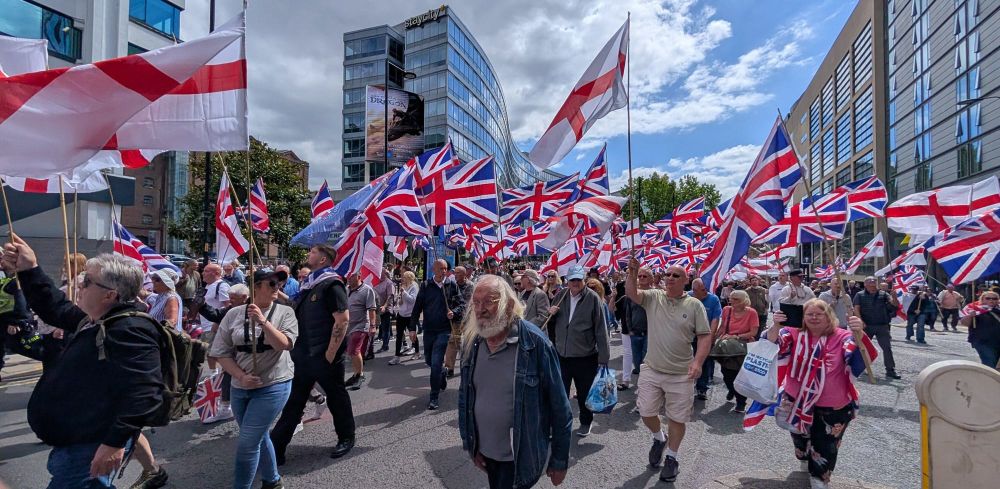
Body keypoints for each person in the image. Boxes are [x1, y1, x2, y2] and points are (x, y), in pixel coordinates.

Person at [3, 234, 163, 488]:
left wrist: (114, 443)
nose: (80, 285)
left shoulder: (129, 329)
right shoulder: (95, 319)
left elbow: (144, 393)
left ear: (109, 295)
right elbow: (54, 307)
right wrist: (30, 268)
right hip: (77, 444)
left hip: (91, 447)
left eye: (87, 282)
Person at [458, 275, 572, 489]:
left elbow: (560, 407)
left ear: (508, 305)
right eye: (476, 302)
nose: (480, 309)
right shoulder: (473, 343)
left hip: (520, 456)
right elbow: (465, 398)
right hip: (486, 452)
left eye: (488, 301)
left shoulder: (535, 343)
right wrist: (471, 446)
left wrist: (559, 460)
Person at [768, 299, 876, 489]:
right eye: (810, 314)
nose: (814, 317)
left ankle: (819, 479)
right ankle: (803, 456)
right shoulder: (793, 333)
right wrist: (775, 325)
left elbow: (863, 358)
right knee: (800, 439)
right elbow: (770, 344)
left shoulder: (843, 336)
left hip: (833, 404)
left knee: (826, 444)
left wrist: (859, 332)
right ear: (803, 317)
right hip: (797, 400)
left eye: (820, 314)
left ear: (830, 317)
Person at [209, 269, 297, 489]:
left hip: (274, 384)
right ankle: (273, 480)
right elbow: (221, 352)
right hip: (241, 386)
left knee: (248, 443)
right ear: (256, 286)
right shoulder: (234, 314)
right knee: (258, 435)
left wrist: (263, 321)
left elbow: (284, 344)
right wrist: (240, 376)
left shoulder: (285, 313)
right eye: (272, 284)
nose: (278, 288)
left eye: (279, 284)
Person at [625, 260, 710, 483]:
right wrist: (633, 272)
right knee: (646, 412)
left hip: (681, 373)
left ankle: (672, 458)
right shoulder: (654, 297)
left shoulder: (694, 305)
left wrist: (698, 362)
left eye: (675, 275)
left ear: (686, 280)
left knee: (676, 417)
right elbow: (632, 293)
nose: (670, 278)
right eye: (668, 274)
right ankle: (658, 438)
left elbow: (704, 336)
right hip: (652, 369)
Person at [270, 244, 355, 464]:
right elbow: (295, 306)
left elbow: (342, 319)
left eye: (313, 252)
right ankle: (276, 448)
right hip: (303, 354)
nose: (309, 254)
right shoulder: (309, 286)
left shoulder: (332, 283)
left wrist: (330, 354)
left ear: (323, 259)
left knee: (337, 398)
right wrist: (273, 291)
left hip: (325, 356)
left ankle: (346, 437)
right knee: (294, 401)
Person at [545, 265, 610, 437]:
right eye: (572, 279)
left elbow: (601, 330)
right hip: (562, 355)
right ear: (567, 281)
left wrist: (603, 359)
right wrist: (549, 315)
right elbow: (550, 326)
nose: (575, 283)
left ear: (584, 280)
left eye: (578, 279)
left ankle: (586, 421)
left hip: (585, 356)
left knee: (584, 393)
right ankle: (557, 424)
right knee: (559, 394)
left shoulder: (593, 298)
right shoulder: (560, 296)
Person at [411, 259, 466, 410]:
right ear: (433, 269)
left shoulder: (451, 285)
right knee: (429, 361)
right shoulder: (426, 286)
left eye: (445, 269)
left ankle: (434, 396)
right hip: (429, 329)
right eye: (440, 268)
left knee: (435, 362)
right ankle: (442, 372)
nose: (443, 271)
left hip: (444, 330)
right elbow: (417, 308)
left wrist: (453, 312)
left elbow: (462, 304)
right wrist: (412, 328)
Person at [194, 283, 250, 425]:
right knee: (227, 374)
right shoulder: (232, 309)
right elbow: (217, 315)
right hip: (233, 350)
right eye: (230, 298)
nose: (230, 301)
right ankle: (225, 407)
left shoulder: (254, 308)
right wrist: (202, 305)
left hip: (251, 352)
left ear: (244, 297)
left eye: (233, 298)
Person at [717, 290, 758, 413]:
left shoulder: (751, 312)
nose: (732, 301)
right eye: (731, 298)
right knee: (725, 372)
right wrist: (714, 337)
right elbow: (723, 326)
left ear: (744, 301)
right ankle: (732, 389)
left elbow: (753, 332)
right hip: (727, 346)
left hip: (743, 346)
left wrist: (737, 336)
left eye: (736, 299)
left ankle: (741, 402)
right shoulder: (727, 310)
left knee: (740, 374)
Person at [853, 276, 901, 379]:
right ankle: (858, 367)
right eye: (870, 283)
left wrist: (895, 297)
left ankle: (890, 370)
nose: (872, 284)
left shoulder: (884, 294)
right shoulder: (859, 295)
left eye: (874, 283)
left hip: (882, 325)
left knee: (887, 347)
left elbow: (895, 305)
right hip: (867, 326)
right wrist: (860, 320)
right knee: (862, 348)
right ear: (865, 284)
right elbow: (856, 308)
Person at [689, 278, 722, 400]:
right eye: (702, 290)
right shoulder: (687, 297)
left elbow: (715, 319)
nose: (705, 291)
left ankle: (702, 388)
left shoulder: (713, 299)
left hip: (704, 336)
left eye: (706, 289)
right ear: (694, 290)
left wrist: (711, 337)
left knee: (704, 361)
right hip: (689, 336)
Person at [620, 266, 652, 391]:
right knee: (638, 362)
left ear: (651, 278)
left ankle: (645, 391)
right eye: (640, 276)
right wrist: (630, 330)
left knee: (646, 363)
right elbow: (627, 314)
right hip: (635, 333)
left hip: (650, 333)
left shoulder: (655, 294)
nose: (642, 278)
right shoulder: (631, 296)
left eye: (645, 276)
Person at [345, 273, 377, 390]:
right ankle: (355, 374)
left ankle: (360, 375)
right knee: (350, 352)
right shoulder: (346, 289)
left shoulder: (367, 290)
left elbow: (372, 309)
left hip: (361, 325)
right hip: (348, 325)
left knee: (354, 349)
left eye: (351, 276)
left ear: (359, 277)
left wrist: (372, 326)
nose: (348, 278)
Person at [444, 265, 475, 378]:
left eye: (458, 273)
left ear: (464, 274)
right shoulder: (452, 285)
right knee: (452, 342)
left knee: (466, 343)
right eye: (455, 273)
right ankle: (449, 368)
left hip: (466, 319)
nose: (455, 275)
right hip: (455, 319)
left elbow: (467, 303)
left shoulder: (470, 286)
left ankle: (466, 365)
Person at [959, 291, 1000, 368]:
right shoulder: (973, 309)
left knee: (995, 364)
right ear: (982, 299)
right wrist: (970, 316)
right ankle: (986, 379)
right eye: (988, 298)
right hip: (982, 341)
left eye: (994, 298)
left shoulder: (998, 310)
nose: (991, 300)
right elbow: (965, 323)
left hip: (997, 341)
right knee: (989, 362)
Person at [389, 271, 420, 365]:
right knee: (399, 335)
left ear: (410, 278)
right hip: (401, 314)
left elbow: (412, 300)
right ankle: (396, 356)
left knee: (412, 334)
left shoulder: (414, 286)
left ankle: (417, 352)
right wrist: (399, 300)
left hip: (410, 315)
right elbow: (402, 299)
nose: (402, 279)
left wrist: (404, 293)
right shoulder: (404, 286)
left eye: (404, 277)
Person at [372, 268, 395, 353]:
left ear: (384, 273)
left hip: (385, 309)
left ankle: (385, 345)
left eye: (380, 272)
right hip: (375, 308)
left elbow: (390, 296)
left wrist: (384, 306)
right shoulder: (376, 281)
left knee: (385, 328)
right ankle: (370, 347)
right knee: (373, 327)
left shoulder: (389, 283)